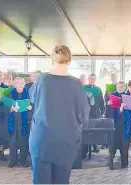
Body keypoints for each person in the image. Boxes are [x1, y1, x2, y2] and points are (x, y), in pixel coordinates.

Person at [29, 45, 89, 184]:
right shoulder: (76, 84)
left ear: (52, 60)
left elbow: (32, 101)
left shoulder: (41, 80)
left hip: (41, 139)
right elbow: (83, 116)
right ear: (69, 61)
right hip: (66, 141)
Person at [7, 77, 32, 168]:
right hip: (13, 120)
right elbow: (5, 106)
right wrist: (11, 108)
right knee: (13, 141)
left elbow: (31, 105)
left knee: (23, 140)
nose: (20, 85)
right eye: (18, 83)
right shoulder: (10, 93)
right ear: (15, 84)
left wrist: (30, 107)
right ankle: (13, 161)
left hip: (24, 120)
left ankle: (22, 160)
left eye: (22, 83)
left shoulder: (27, 93)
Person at [107, 81, 125, 169]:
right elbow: (107, 108)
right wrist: (108, 104)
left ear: (124, 87)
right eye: (118, 86)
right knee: (113, 142)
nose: (120, 88)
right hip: (113, 122)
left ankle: (123, 162)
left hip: (123, 122)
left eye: (122, 86)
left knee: (123, 143)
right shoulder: (112, 95)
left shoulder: (127, 95)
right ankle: (110, 160)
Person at [84, 74, 105, 154]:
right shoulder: (84, 88)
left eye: (93, 79)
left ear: (95, 80)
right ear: (88, 79)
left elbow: (102, 102)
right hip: (87, 112)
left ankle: (95, 146)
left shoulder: (98, 89)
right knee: (86, 130)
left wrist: (103, 112)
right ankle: (86, 148)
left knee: (95, 130)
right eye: (90, 78)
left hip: (96, 112)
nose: (92, 80)